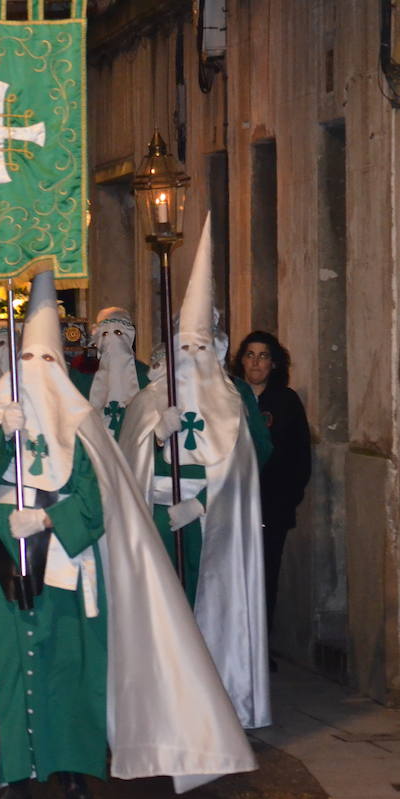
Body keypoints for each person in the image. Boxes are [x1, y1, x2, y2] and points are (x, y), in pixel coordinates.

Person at [0, 270, 257, 799]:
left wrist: (50, 522)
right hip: (0, 555)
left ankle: (74, 768)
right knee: (9, 665)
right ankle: (15, 773)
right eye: (27, 362)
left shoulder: (81, 423)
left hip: (66, 559)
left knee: (71, 666)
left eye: (46, 362)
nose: (36, 372)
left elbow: (94, 497)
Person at [118, 215, 273, 730]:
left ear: (217, 349)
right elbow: (125, 462)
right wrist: (153, 436)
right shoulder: (148, 399)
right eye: (183, 347)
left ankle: (215, 700)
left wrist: (205, 502)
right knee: (163, 610)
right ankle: (164, 699)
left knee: (210, 611)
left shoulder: (236, 402)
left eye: (200, 348)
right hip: (160, 520)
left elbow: (255, 460)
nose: (190, 356)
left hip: (212, 526)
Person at [232, 331, 312, 635]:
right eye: (250, 354)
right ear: (241, 360)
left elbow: (299, 455)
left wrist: (287, 499)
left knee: (265, 576)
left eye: (263, 355)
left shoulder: (285, 401)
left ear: (274, 363)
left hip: (270, 507)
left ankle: (261, 645)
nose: (256, 362)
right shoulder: (229, 398)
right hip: (231, 505)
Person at [85, 307, 150, 440]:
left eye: (118, 333)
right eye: (105, 334)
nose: (112, 340)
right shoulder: (85, 376)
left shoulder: (146, 375)